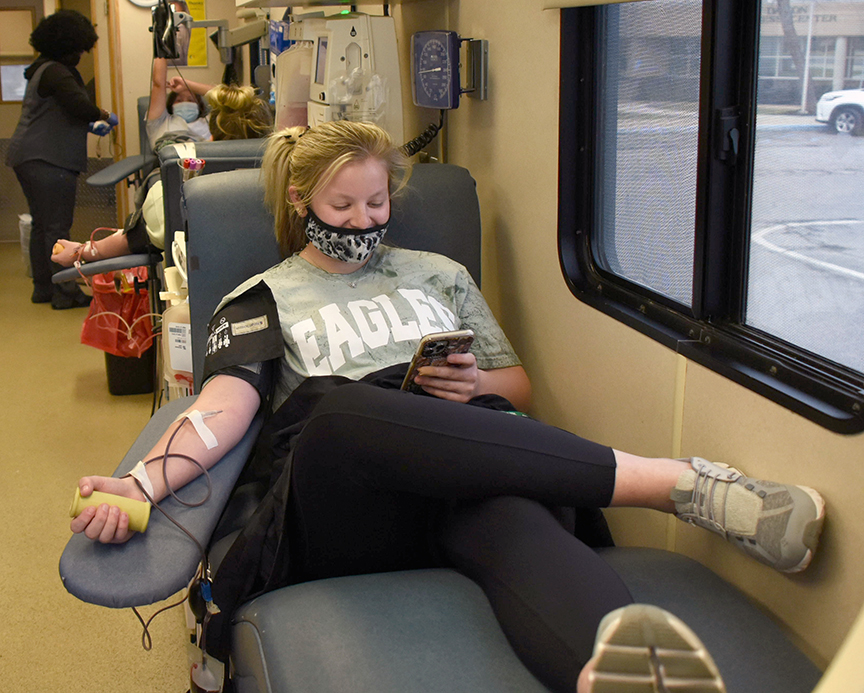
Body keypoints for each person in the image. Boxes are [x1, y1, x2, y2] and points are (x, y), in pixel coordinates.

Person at [70, 121, 825, 693]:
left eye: (378, 201)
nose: (365, 220)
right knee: (337, 413)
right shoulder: (260, 297)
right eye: (344, 203)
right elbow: (223, 410)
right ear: (301, 201)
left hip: (465, 472)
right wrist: (143, 483)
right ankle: (676, 485)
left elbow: (516, 386)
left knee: (511, 512)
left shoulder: (439, 275)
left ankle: (618, 669)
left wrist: (478, 390)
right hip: (349, 507)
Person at [49, 83, 274, 266]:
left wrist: (82, 251)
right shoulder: (286, 182)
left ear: (211, 136)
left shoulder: (180, 193)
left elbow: (134, 239)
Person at [5, 10, 116, 310]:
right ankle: (66, 293)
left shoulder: (42, 69)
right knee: (57, 227)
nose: (81, 54)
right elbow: (79, 105)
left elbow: (62, 111)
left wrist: (90, 124)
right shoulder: (57, 71)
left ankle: (43, 287)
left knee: (42, 224)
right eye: (80, 48)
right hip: (48, 159)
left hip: (28, 156)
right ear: (68, 44)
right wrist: (103, 115)